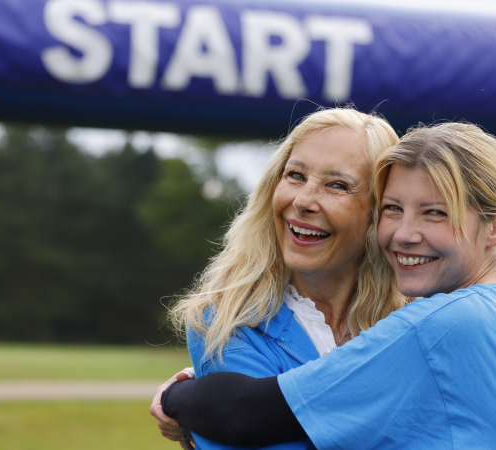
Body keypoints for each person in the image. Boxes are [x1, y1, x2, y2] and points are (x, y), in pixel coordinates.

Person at [159, 122, 496, 449]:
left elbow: (242, 415)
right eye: (394, 209)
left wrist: (179, 399)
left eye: (436, 213)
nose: (405, 233)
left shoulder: (437, 327)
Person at [151, 107, 408, 449]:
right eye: (296, 176)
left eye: (337, 185)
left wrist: (185, 398)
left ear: (379, 212)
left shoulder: (417, 319)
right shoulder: (225, 321)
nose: (302, 201)